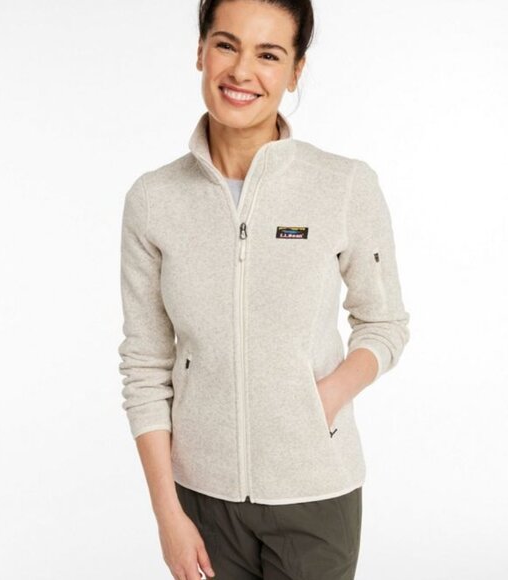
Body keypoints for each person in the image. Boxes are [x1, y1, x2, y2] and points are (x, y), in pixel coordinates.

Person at [118, 0, 410, 578]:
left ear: (295, 71)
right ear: (200, 52)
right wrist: (168, 515)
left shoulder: (343, 186)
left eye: (269, 54)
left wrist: (323, 397)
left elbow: (384, 323)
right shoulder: (154, 200)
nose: (241, 71)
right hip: (201, 500)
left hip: (316, 493)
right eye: (226, 45)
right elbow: (145, 365)